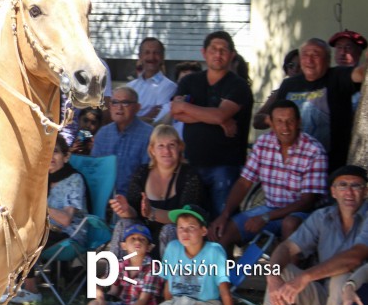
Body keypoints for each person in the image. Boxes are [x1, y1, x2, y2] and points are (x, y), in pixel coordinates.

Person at [245, 165, 368, 305]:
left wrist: (306, 277)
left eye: (356, 186)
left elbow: (355, 257)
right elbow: (286, 248)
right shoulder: (322, 217)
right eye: (342, 185)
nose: (349, 192)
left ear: (366, 191)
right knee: (282, 271)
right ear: (333, 192)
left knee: (342, 276)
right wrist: (272, 275)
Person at [91, 205, 243, 305]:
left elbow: (224, 290)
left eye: (191, 227)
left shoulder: (214, 251)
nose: (185, 232)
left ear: (204, 231)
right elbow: (168, 287)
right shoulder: (173, 248)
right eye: (181, 227)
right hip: (175, 304)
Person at [209, 100, 327, 254]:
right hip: (270, 208)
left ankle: (289, 270)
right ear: (270, 123)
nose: (285, 127)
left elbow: (307, 202)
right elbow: (244, 182)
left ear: (298, 122)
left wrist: (266, 217)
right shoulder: (263, 143)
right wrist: (225, 215)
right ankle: (225, 271)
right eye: (279, 121)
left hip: (302, 214)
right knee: (223, 232)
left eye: (290, 121)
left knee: (289, 223)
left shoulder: (314, 150)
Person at [170, 31, 253, 215]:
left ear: (232, 55)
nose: (218, 54)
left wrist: (186, 107)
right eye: (213, 49)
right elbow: (175, 112)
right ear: (204, 52)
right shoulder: (189, 81)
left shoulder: (238, 85)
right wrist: (215, 117)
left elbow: (220, 115)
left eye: (223, 50)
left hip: (225, 167)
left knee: (220, 222)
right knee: (191, 220)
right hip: (192, 163)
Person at [49, 223, 164, 305]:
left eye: (142, 239)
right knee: (93, 304)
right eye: (133, 238)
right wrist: (102, 301)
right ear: (123, 245)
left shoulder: (152, 267)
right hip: (124, 304)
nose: (137, 241)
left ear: (149, 247)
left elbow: (142, 302)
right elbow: (99, 284)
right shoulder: (121, 264)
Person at [255, 38, 365, 172]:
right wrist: (273, 121)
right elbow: (259, 120)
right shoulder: (289, 84)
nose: (309, 60)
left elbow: (361, 74)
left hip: (331, 166)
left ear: (328, 60)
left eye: (315, 55)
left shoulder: (338, 76)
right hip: (293, 164)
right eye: (305, 55)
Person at [4, 135, 87, 304]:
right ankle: (9, 285)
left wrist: (41, 205)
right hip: (45, 230)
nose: (50, 157)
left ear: (66, 156)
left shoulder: (74, 179)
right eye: (46, 153)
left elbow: (66, 220)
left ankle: (31, 289)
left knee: (27, 236)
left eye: (55, 152)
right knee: (9, 232)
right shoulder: (42, 179)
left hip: (70, 235)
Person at [108, 125, 203, 257]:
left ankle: (168, 271)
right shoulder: (142, 172)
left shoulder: (189, 176)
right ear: (152, 150)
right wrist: (125, 210)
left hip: (174, 236)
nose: (166, 151)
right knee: (123, 224)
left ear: (180, 147)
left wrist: (152, 212)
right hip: (144, 236)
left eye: (171, 145)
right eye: (161, 146)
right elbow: (134, 213)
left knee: (169, 230)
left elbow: (185, 218)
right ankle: (114, 269)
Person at [90, 87, 153, 196]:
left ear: (137, 107)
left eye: (125, 103)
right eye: (115, 102)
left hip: (135, 199)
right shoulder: (103, 134)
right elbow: (95, 169)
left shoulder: (149, 134)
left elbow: (149, 174)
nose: (119, 107)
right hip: (103, 197)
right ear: (110, 107)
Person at [128, 38, 177, 124]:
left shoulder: (169, 87)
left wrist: (132, 118)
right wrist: (146, 116)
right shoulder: (130, 87)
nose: (151, 57)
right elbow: (121, 118)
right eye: (147, 52)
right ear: (140, 56)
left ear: (162, 57)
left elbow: (157, 122)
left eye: (156, 53)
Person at [252, 49, 302, 130]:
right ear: (286, 69)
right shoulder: (281, 92)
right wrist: (275, 119)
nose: (295, 69)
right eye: (291, 65)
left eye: (300, 66)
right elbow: (257, 121)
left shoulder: (318, 89)